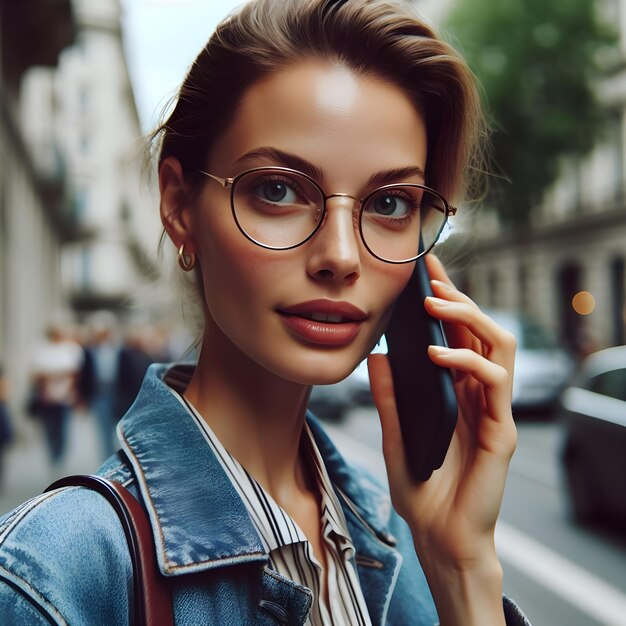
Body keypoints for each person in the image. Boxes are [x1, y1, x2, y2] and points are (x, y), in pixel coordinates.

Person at [0, 1, 530, 624]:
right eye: (278, 190)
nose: (339, 256)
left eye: (390, 203)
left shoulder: (398, 535)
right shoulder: (52, 577)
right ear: (178, 205)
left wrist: (462, 568)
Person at [28, 322, 83, 466]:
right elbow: (36, 374)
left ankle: (59, 452)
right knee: (48, 426)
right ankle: (52, 452)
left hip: (64, 395)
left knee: (62, 425)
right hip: (46, 397)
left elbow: (75, 373)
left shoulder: (70, 349)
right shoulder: (41, 349)